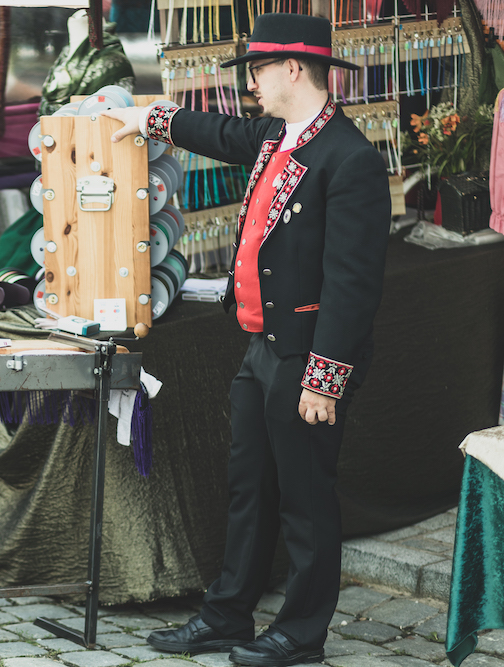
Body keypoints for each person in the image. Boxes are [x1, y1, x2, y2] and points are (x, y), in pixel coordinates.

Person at [103, 13, 390, 667]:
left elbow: (352, 285)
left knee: (305, 496)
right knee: (248, 485)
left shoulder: (351, 160)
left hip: (306, 352)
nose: (249, 83)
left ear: (294, 68)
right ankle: (228, 613)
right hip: (262, 347)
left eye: (257, 70)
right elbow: (221, 131)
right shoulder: (275, 134)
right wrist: (152, 118)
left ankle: (302, 632)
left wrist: (325, 376)